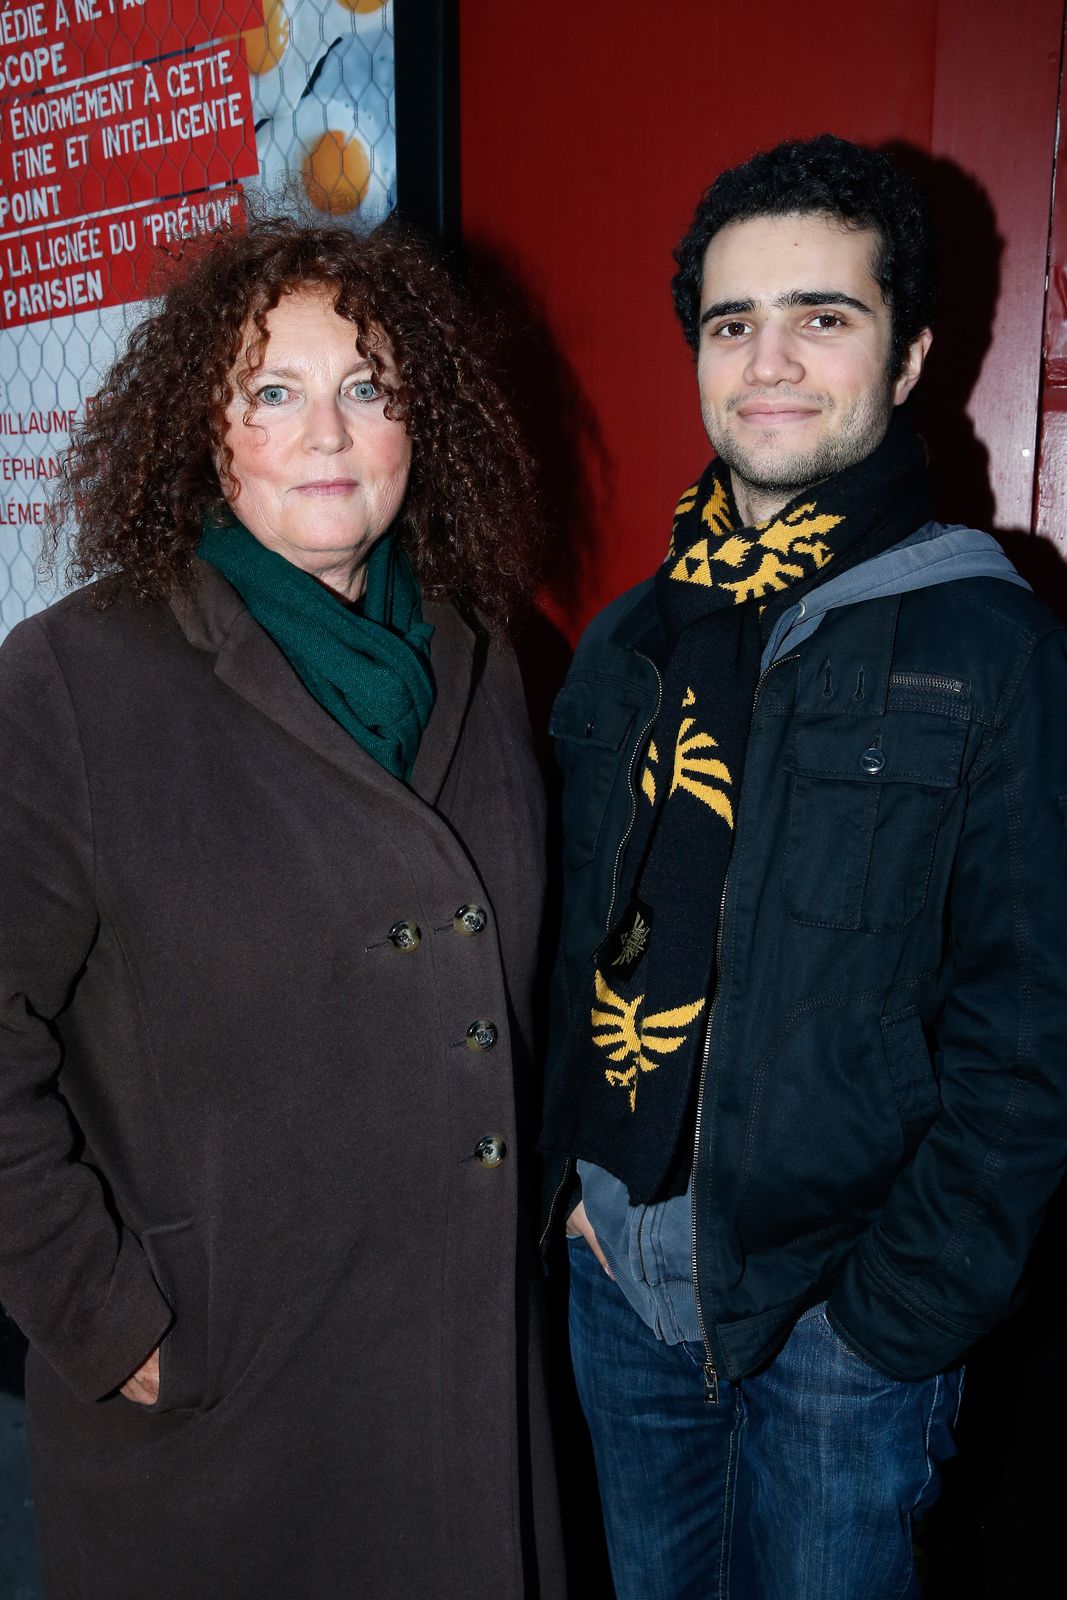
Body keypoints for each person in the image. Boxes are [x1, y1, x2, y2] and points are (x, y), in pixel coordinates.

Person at [0, 214, 565, 1599]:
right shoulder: (76, 680)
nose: (329, 433)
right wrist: (110, 1318)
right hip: (230, 1422)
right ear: (205, 428)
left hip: (462, 1398)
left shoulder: (486, 662)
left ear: (417, 424)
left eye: (367, 388)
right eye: (275, 391)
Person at [539, 134, 1067, 1599]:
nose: (767, 360)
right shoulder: (630, 641)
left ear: (908, 360)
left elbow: (1035, 1031)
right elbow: (566, 940)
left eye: (822, 317)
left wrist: (895, 1315)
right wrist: (572, 1204)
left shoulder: (990, 644)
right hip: (621, 1280)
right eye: (731, 323)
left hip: (841, 1318)